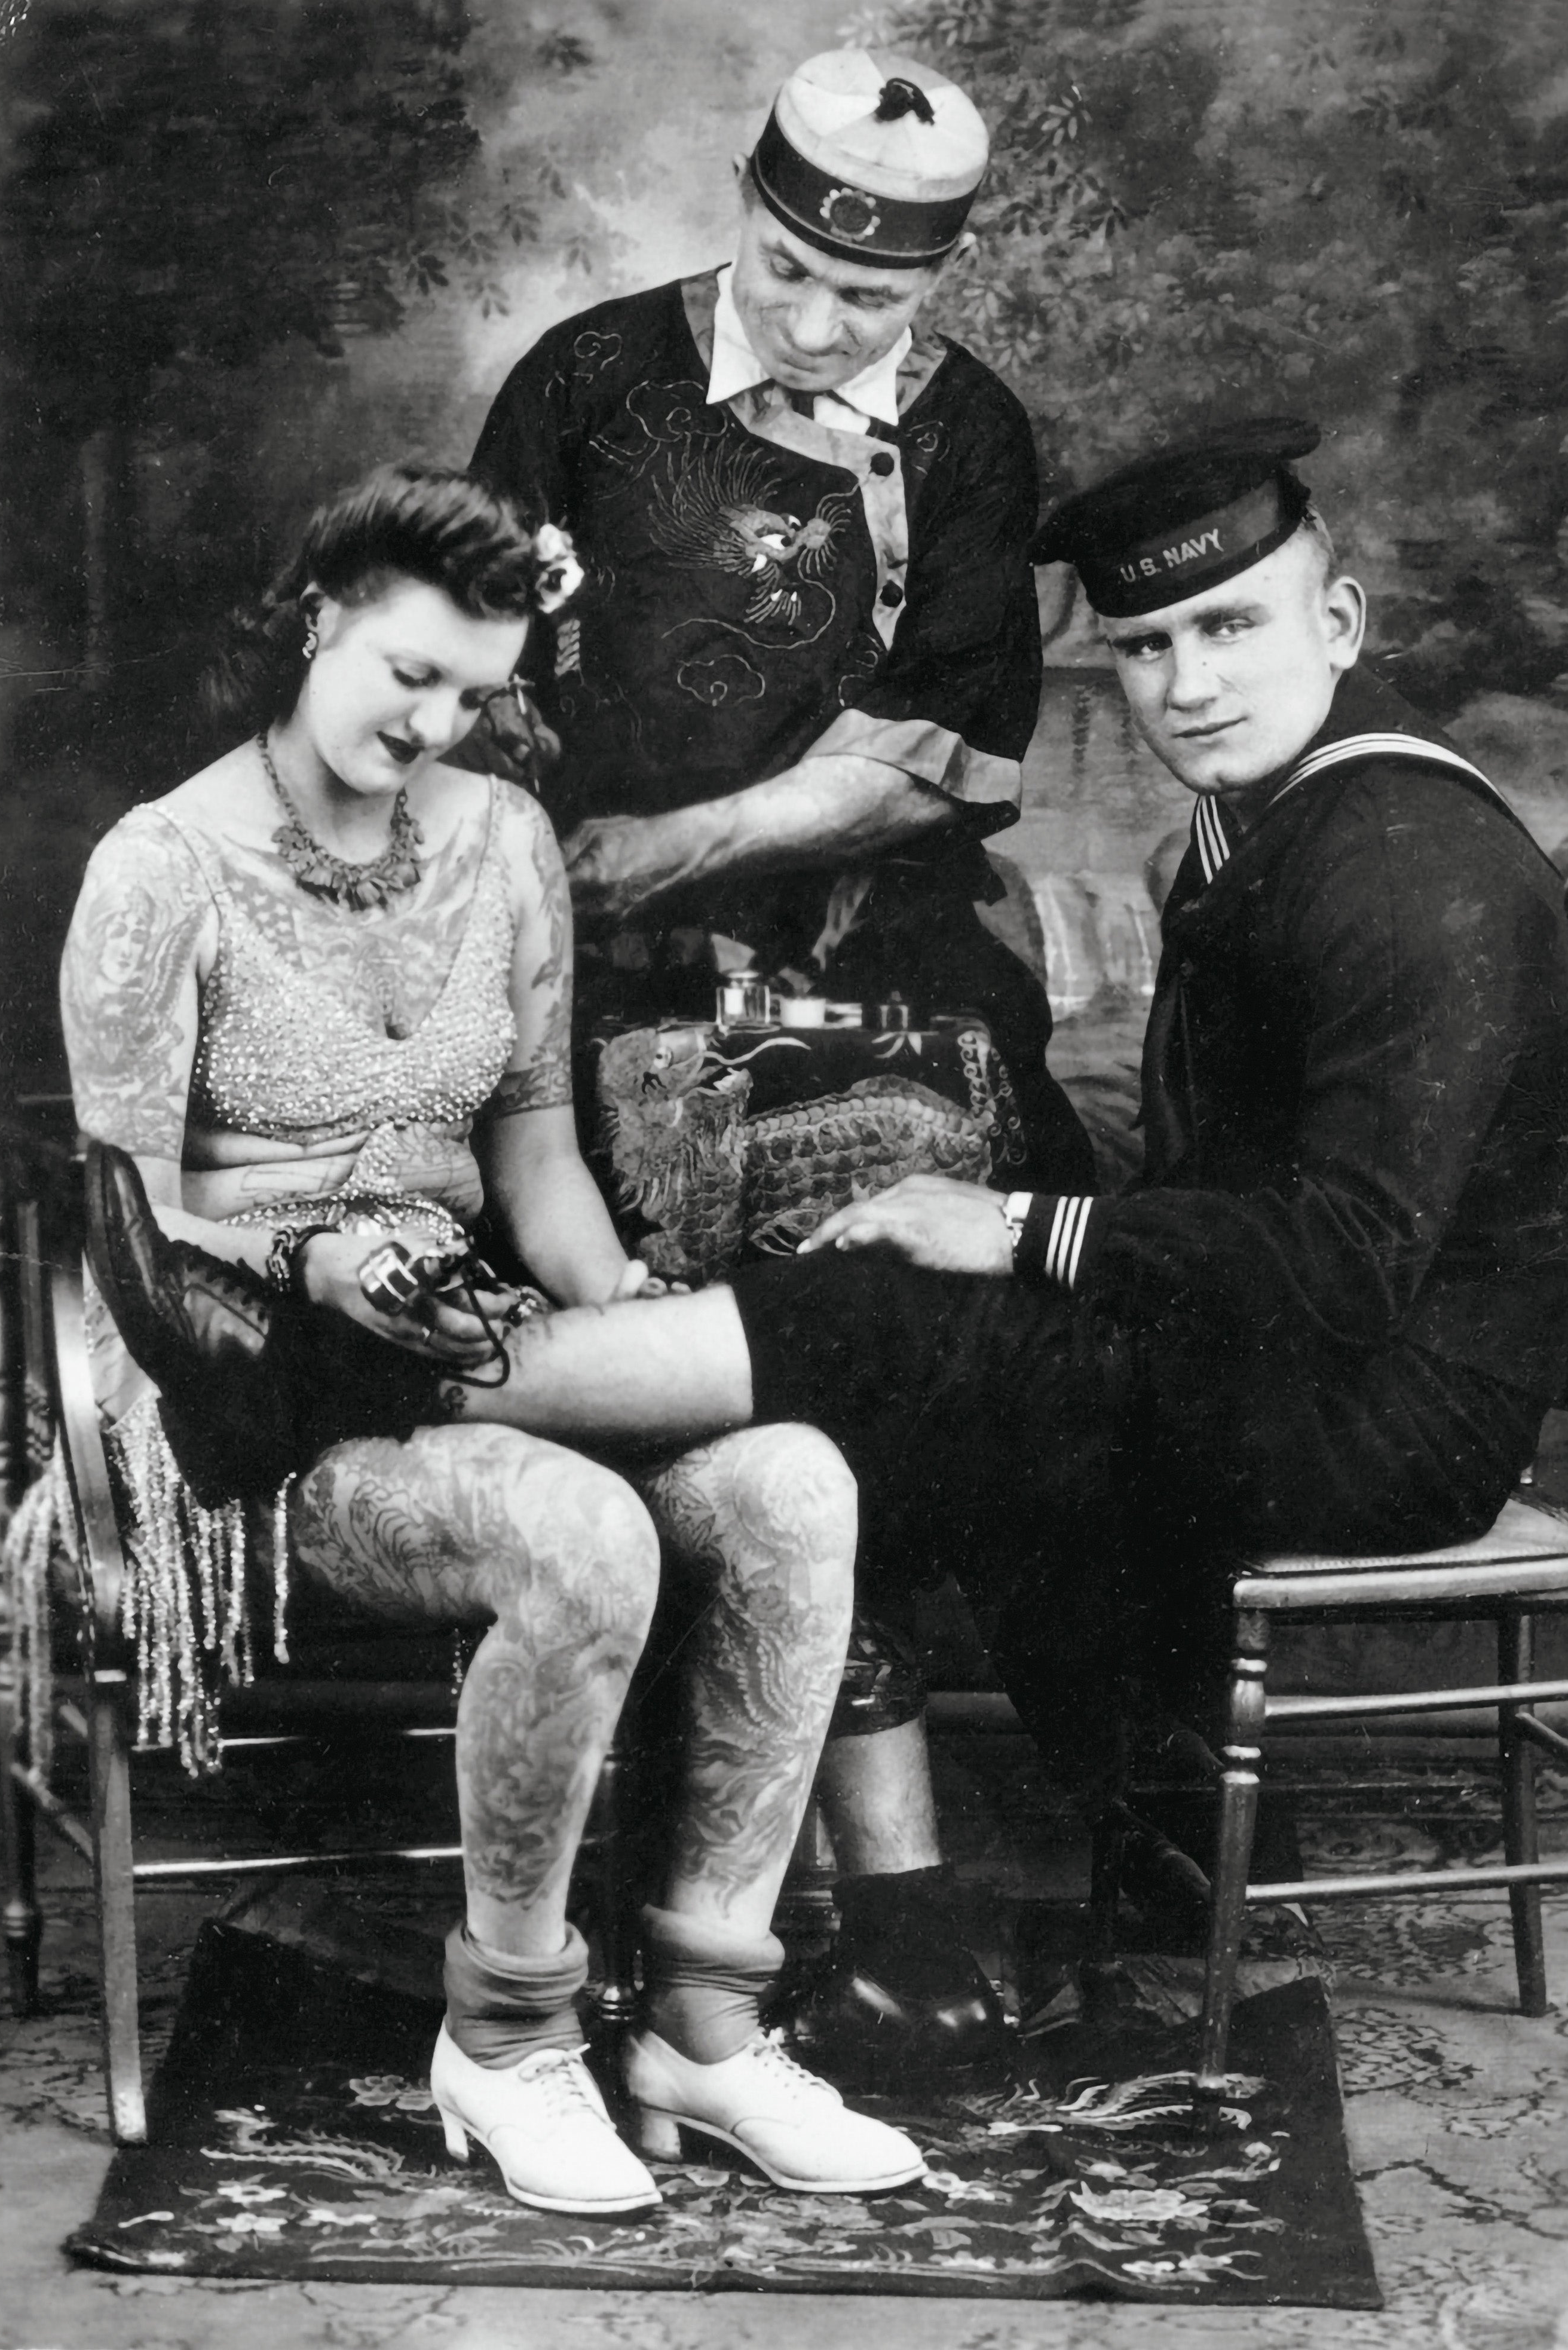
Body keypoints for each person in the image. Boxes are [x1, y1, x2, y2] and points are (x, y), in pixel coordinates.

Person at [98, 417, 1568, 1992]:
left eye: (1231, 628)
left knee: (920, 1331)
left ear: (1339, 623)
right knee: (899, 1371)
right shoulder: (1271, 816)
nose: (1189, 684)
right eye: (1148, 647)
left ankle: (307, 1381)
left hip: (1396, 1408)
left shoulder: (1409, 858)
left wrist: (1017, 1232)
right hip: (1289, 1355)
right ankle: (946, 1914)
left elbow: (1345, 1266)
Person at [64, 461, 923, 2216]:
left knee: (793, 1484)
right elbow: (133, 1217)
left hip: (480, 1338)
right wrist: (319, 1261)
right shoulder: (160, 867)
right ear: (317, 618)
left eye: (477, 692)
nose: (438, 725)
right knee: (580, 1531)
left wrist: (609, 1304)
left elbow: (533, 1153)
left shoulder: (505, 839)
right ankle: (513, 2039)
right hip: (250, 1386)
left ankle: (702, 2025)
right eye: (412, 675)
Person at [467, 45, 1095, 2058]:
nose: (823, 326)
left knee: (906, 1256)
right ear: (744, 205)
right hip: (602, 973)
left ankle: (834, 1886)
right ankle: (851, 1885)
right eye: (790, 272)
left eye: (873, 298)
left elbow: (940, 756)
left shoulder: (969, 433)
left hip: (878, 956)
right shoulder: (589, 380)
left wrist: (697, 837)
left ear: (939, 276)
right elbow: (469, 663)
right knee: (740, 1270)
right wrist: (547, 844)